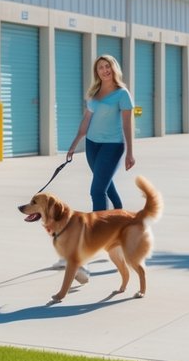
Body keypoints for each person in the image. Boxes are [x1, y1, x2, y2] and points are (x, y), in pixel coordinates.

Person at [56, 54, 136, 284]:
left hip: (113, 146)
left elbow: (127, 123)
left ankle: (96, 237)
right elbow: (85, 122)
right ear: (97, 71)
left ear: (114, 69)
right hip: (92, 145)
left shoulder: (122, 94)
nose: (104, 70)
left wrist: (130, 151)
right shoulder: (93, 93)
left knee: (97, 190)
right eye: (100, 67)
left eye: (107, 66)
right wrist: (74, 145)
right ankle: (120, 218)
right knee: (105, 185)